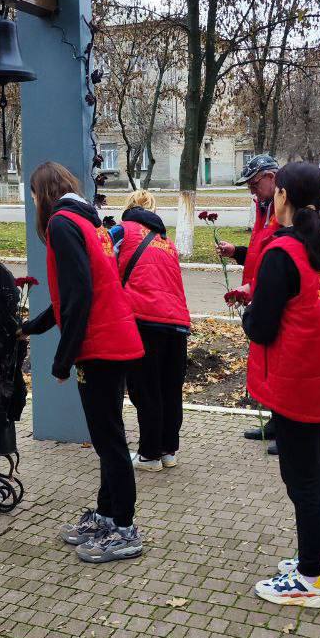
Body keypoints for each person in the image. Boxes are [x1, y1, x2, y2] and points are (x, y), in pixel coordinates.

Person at [242, 161, 320, 609]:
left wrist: (248, 314)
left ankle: (308, 580)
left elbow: (262, 327)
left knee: (303, 480)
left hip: (297, 382)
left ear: (282, 195)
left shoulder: (282, 253)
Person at [23, 161, 144, 563]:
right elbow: (78, 292)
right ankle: (108, 515)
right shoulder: (87, 222)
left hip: (101, 346)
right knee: (107, 438)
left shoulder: (61, 224)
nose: (34, 203)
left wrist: (64, 360)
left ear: (42, 193)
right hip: (114, 339)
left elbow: (79, 296)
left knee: (109, 441)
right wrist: (32, 328)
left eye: (33, 195)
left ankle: (125, 529)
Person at [109, 189, 191, 471]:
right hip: (176, 322)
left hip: (143, 320)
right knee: (170, 389)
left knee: (146, 388)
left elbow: (103, 263)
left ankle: (149, 455)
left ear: (129, 207)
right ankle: (169, 451)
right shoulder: (166, 241)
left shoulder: (121, 231)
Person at [216, 153, 280, 448]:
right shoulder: (264, 207)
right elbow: (261, 253)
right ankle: (277, 422)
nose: (252, 191)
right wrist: (238, 252)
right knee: (267, 364)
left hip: (274, 297)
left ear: (271, 177)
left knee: (279, 365)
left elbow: (282, 262)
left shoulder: (286, 211)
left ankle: (289, 430)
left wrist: (253, 287)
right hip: (261, 294)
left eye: (255, 184)